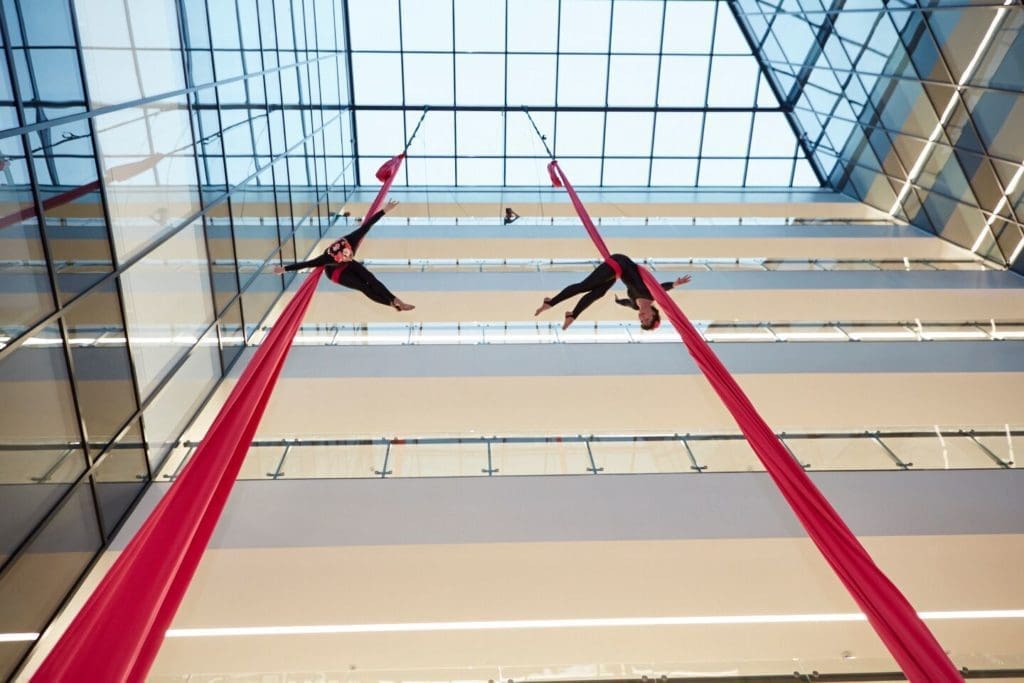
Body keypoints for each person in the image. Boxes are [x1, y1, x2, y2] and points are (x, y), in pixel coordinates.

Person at [273, 199, 415, 311]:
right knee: (363, 286)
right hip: (335, 272)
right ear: (337, 257)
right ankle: (390, 303)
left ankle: (396, 300)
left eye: (350, 255)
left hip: (345, 265)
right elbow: (306, 264)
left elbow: (367, 225)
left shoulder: (352, 239)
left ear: (349, 248)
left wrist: (385, 210)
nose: (350, 257)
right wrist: (284, 269)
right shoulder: (327, 258)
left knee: (370, 278)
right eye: (346, 257)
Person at [534, 253, 691, 330]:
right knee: (586, 286)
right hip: (619, 262)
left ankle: (572, 315)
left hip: (616, 274)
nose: (642, 318)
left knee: (598, 294)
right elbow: (661, 288)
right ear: (654, 314)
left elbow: (627, 303)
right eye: (647, 320)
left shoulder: (636, 306)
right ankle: (551, 302)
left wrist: (618, 301)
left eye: (642, 322)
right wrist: (675, 284)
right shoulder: (652, 295)